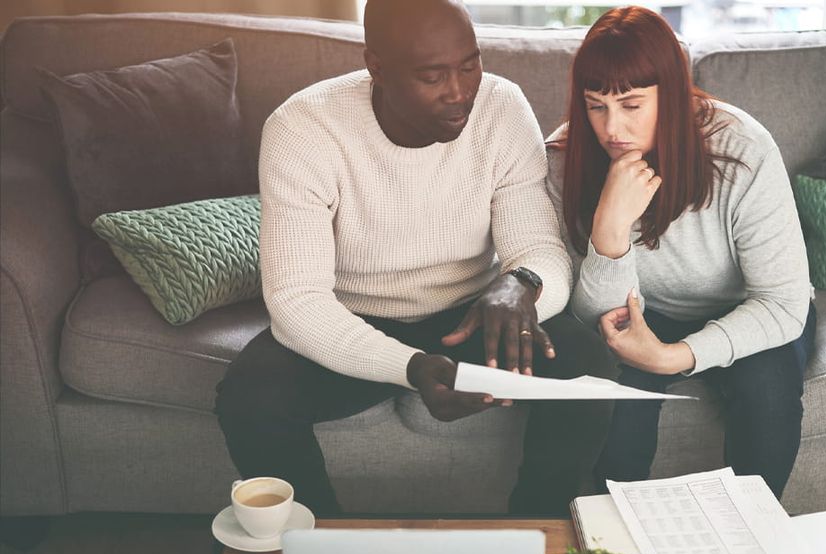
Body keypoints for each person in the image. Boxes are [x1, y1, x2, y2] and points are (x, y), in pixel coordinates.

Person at [215, 0, 616, 516]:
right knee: (250, 399)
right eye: (433, 76)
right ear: (376, 67)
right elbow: (297, 302)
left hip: (472, 316)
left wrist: (522, 281)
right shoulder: (303, 129)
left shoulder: (501, 107)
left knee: (586, 366)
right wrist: (407, 367)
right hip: (353, 319)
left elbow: (541, 250)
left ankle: (536, 538)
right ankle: (319, 552)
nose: (459, 92)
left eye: (469, 65)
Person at [547, 6, 816, 499]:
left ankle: (747, 540)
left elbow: (783, 303)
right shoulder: (564, 158)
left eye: (631, 105)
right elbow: (589, 316)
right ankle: (618, 548)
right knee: (618, 403)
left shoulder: (744, 150)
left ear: (670, 98)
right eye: (596, 105)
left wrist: (676, 357)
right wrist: (610, 228)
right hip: (640, 313)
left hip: (744, 307)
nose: (611, 129)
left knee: (769, 393)